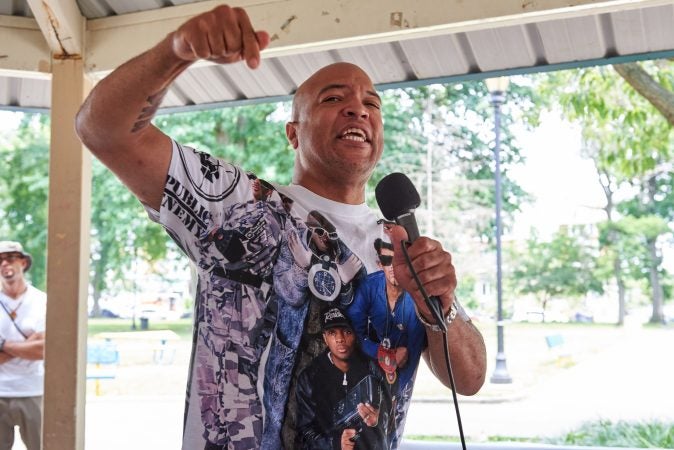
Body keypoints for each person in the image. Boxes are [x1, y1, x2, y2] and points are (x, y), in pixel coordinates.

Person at [75, 5, 487, 449]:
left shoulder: (401, 247)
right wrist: (177, 50)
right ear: (293, 133)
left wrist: (436, 307)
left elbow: (470, 378)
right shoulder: (244, 207)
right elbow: (104, 130)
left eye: (372, 103)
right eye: (333, 99)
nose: (358, 109)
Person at [346, 238, 427, 448]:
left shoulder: (416, 298)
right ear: (379, 263)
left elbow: (414, 351)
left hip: (401, 372)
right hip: (370, 365)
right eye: (386, 260)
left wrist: (394, 394)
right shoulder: (369, 286)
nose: (393, 268)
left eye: (399, 261)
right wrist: (382, 353)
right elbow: (355, 331)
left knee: (387, 435)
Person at [295, 306, 391, 449]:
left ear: (356, 334)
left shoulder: (373, 369)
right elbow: (305, 432)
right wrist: (335, 443)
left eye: (347, 331)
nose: (340, 339)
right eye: (332, 332)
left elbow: (390, 416)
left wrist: (377, 421)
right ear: (325, 338)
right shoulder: (309, 377)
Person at [0, 241, 47, 450]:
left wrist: (2, 345)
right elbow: (36, 346)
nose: (4, 264)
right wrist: (29, 343)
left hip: (33, 390)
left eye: (10, 258)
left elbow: (45, 349)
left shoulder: (41, 300)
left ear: (23, 262)